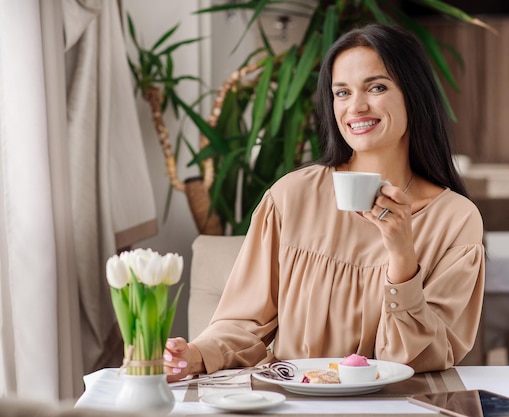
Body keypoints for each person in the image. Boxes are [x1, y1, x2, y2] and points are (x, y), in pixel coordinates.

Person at [164, 23, 485, 381]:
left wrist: (401, 260)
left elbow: (417, 358)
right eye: (342, 92)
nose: (356, 106)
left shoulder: (456, 220)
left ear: (414, 94)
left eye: (376, 87)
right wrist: (194, 356)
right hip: (293, 404)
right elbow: (245, 323)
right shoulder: (291, 196)